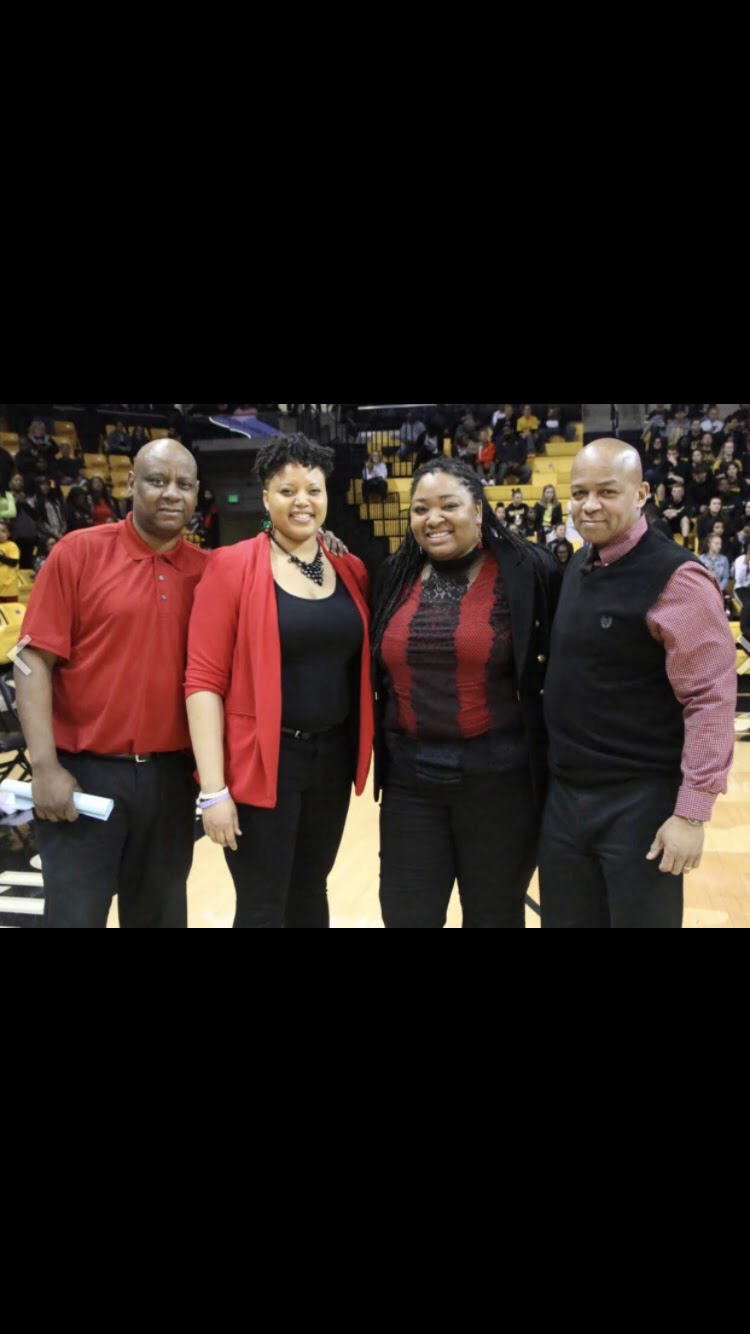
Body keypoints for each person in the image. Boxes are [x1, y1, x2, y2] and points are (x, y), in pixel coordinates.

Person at [539, 440, 736, 929]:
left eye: (607, 492)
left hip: (640, 804)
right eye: (579, 493)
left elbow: (710, 699)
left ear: (642, 494)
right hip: (565, 800)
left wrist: (691, 815)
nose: (589, 505)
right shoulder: (578, 566)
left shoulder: (678, 579)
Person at [15, 440, 206, 928]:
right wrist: (44, 767)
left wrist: (320, 541)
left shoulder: (209, 571)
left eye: (184, 484)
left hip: (171, 779)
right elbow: (32, 661)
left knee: (161, 918)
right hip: (84, 776)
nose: (171, 494)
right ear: (130, 484)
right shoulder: (78, 552)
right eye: (157, 481)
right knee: (74, 918)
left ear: (197, 493)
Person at [185, 434, 374, 929]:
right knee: (262, 904)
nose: (302, 501)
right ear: (266, 498)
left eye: (313, 490)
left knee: (312, 890)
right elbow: (203, 680)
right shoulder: (230, 566)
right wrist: (213, 790)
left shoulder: (349, 568)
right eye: (287, 491)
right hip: (263, 759)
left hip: (331, 759)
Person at [372, 457, 560, 928]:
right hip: (410, 782)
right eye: (420, 509)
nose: (433, 518)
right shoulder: (394, 574)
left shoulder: (527, 570)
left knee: (494, 917)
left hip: (500, 783)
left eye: (448, 505)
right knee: (406, 917)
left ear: (478, 509)